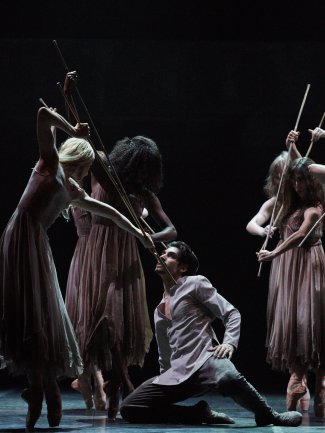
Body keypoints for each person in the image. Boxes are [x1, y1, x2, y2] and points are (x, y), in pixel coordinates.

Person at [0, 106, 153, 430]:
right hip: (30, 243)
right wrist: (72, 127)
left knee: (32, 313)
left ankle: (42, 389)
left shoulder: (63, 179)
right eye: (86, 168)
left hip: (25, 240)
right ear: (81, 164)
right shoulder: (55, 168)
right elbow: (42, 113)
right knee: (32, 312)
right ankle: (44, 390)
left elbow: (112, 214)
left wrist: (138, 231)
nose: (87, 174)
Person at [119, 241, 302, 427]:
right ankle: (196, 413)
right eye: (164, 253)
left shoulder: (195, 284)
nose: (163, 256)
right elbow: (164, 350)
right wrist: (165, 377)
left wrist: (229, 342)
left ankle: (268, 415)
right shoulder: (159, 309)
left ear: (183, 268)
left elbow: (231, 313)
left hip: (205, 358)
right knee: (130, 407)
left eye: (171, 255)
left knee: (229, 377)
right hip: (177, 371)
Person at [257, 154, 325, 417]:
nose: (297, 185)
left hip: (309, 265)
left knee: (313, 321)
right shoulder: (288, 205)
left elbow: (301, 235)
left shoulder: (317, 206)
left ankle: (318, 382)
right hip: (287, 269)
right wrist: (293, 147)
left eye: (302, 181)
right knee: (292, 320)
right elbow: (259, 219)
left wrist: (274, 253)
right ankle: (297, 378)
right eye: (294, 181)